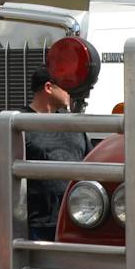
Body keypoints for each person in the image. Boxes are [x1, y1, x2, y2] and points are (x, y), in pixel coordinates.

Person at [23, 68, 88, 240]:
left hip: (78, 218)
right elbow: (2, 171)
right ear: (48, 87)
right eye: (66, 86)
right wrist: (3, 209)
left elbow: (90, 161)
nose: (70, 92)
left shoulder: (73, 122)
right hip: (37, 224)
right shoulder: (19, 123)